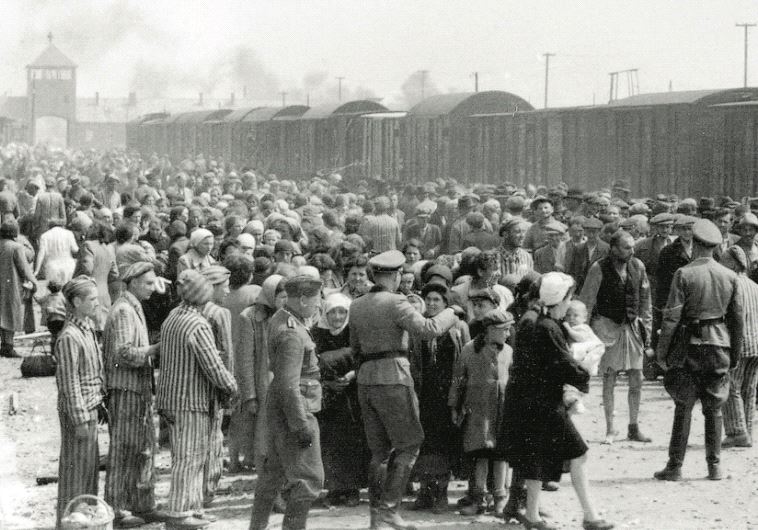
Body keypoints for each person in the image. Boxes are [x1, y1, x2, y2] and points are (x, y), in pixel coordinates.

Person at [350, 249, 459, 530]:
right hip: (394, 378)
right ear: (396, 275)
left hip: (366, 379)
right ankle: (389, 511)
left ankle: (377, 517)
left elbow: (355, 348)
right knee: (409, 443)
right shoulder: (396, 301)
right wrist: (452, 312)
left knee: (379, 452)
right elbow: (429, 328)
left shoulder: (358, 304)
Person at [500, 272, 613, 530]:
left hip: (532, 402)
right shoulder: (548, 327)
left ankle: (533, 516)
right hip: (546, 404)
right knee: (579, 454)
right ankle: (589, 516)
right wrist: (585, 371)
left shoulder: (539, 322)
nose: (569, 304)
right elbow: (564, 365)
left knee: (536, 458)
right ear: (560, 299)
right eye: (568, 298)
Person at [655, 219, 744, 482]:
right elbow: (737, 320)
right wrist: (735, 354)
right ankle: (714, 466)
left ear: (694, 243)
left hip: (688, 346)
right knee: (714, 408)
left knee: (683, 406)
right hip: (719, 345)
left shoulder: (683, 274)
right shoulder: (729, 276)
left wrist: (662, 352)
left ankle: (675, 466)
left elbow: (671, 319)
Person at [156, 270, 237, 529]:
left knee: (186, 456)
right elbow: (213, 365)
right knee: (189, 459)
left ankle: (192, 507)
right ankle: (179, 512)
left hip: (170, 397)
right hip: (190, 401)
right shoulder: (197, 324)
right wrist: (232, 386)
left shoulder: (172, 317)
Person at [249, 275, 325, 530]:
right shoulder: (293, 333)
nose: (319, 304)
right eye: (316, 299)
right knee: (308, 478)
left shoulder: (281, 318)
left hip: (280, 407)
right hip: (296, 409)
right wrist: (301, 425)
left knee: (272, 474)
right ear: (302, 299)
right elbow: (289, 384)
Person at [103, 259, 167, 527]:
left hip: (137, 389)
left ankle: (142, 503)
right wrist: (154, 350)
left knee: (143, 449)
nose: (154, 288)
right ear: (133, 283)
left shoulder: (133, 306)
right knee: (124, 451)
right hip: (125, 390)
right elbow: (122, 353)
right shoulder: (123, 311)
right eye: (149, 283)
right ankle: (117, 509)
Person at [579, 230, 653, 444]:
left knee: (636, 377)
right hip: (607, 327)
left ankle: (633, 426)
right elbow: (587, 301)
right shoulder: (598, 268)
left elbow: (646, 302)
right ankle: (611, 429)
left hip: (631, 328)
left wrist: (646, 329)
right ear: (613, 248)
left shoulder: (638, 266)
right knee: (609, 378)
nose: (631, 251)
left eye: (632, 247)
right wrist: (587, 336)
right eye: (626, 247)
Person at [410, 282, 469, 514]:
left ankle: (441, 494)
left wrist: (459, 395)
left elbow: (464, 361)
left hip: (448, 395)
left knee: (445, 445)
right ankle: (425, 491)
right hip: (426, 394)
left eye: (438, 300)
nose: (433, 304)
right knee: (425, 444)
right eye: (430, 299)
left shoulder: (458, 326)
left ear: (446, 304)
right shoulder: (420, 327)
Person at [448, 309, 514, 516]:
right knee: (480, 455)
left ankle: (500, 498)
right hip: (478, 411)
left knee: (501, 455)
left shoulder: (508, 351)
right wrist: (454, 406)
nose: (508, 334)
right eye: (504, 329)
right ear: (490, 330)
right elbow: (458, 379)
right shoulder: (470, 350)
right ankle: (479, 497)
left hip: (501, 411)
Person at [55, 276, 106, 527]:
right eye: (92, 299)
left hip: (91, 409)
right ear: (76, 301)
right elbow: (69, 383)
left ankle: (85, 521)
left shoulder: (85, 328)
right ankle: (69, 523)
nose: (97, 304)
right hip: (80, 414)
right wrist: (80, 419)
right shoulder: (69, 337)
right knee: (75, 475)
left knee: (88, 474)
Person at [312, 292, 369, 507]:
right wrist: (329, 383)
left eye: (342, 312)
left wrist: (352, 375)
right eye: (333, 312)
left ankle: (353, 489)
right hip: (328, 396)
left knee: (354, 441)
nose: (337, 316)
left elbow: (363, 357)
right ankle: (335, 488)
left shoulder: (354, 331)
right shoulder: (317, 333)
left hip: (352, 394)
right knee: (330, 442)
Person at [200, 265, 234, 507]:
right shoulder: (219, 313)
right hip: (217, 380)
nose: (228, 291)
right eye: (224, 286)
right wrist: (229, 385)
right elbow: (227, 353)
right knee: (214, 434)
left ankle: (206, 485)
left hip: (199, 381)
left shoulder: (194, 309)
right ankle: (209, 487)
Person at [720, 245, 758, 448]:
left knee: (731, 386)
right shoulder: (754, 286)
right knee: (749, 389)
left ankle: (736, 432)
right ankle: (747, 430)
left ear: (734, 264)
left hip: (739, 344)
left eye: (724, 261)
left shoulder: (731, 285)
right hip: (756, 344)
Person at [0, 220, 37, 357]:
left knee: (2, 314)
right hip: (11, 285)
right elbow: (24, 268)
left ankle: (3, 344)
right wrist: (34, 283)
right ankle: (8, 346)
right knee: (10, 313)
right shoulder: (16, 247)